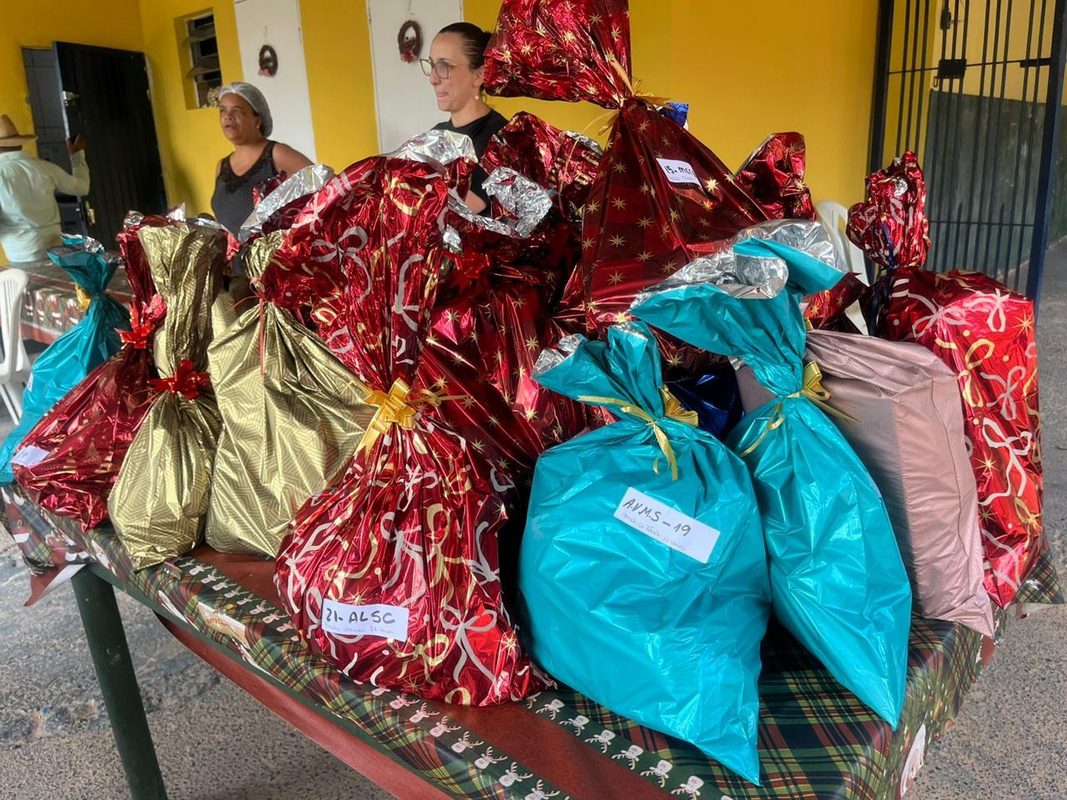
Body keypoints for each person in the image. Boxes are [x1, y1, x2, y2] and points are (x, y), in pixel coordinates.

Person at [423, 23, 508, 214]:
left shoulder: (500, 140)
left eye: (444, 66)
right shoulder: (435, 135)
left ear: (479, 75)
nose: (433, 79)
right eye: (432, 65)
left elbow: (451, 214)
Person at [210, 82, 312, 236]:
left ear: (257, 120)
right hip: (232, 253)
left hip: (274, 251)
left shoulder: (277, 154)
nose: (227, 116)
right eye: (222, 110)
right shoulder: (221, 166)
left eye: (237, 111)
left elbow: (328, 190)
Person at [0, 114, 90, 264]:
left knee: (30, 280)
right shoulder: (45, 168)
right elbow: (82, 188)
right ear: (20, 144)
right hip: (55, 247)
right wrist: (77, 155)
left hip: (21, 253)